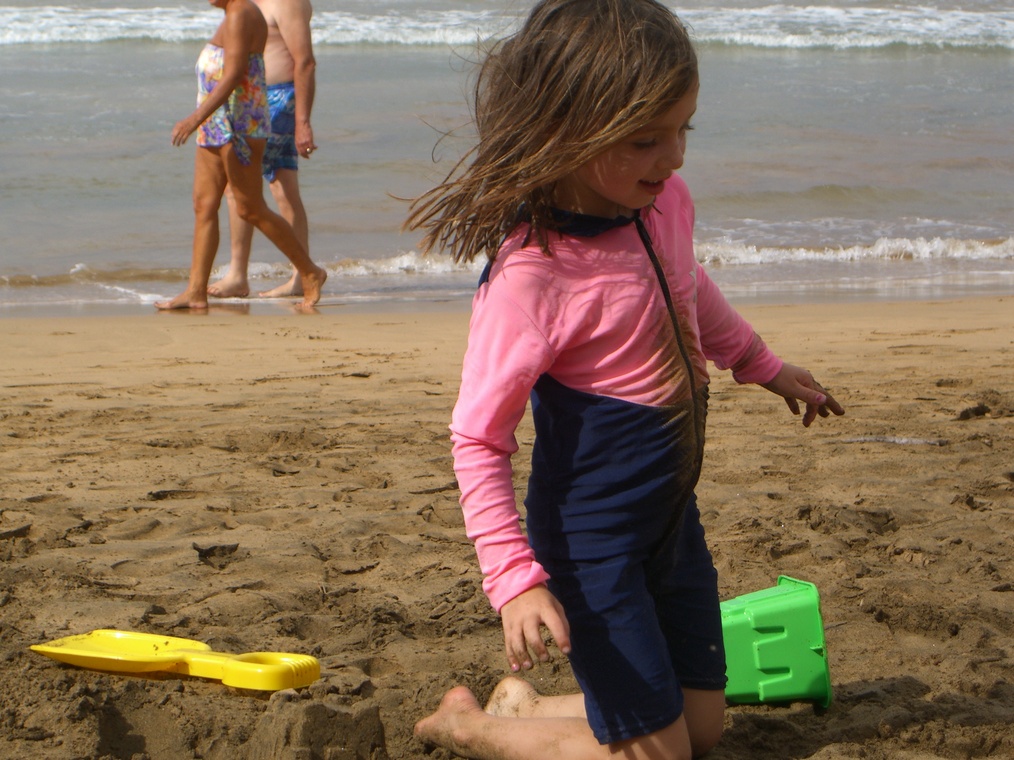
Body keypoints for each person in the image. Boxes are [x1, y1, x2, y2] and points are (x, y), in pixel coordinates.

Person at [403, 1, 845, 758]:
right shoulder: (532, 275)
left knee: (701, 732)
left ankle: (523, 707)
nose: (674, 157)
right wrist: (514, 580)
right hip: (592, 543)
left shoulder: (661, 204)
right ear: (566, 131)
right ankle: (466, 726)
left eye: (683, 129)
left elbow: (688, 290)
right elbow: (477, 438)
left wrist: (762, 365)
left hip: (670, 519)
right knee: (664, 756)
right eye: (646, 139)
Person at [156, 0, 326, 311]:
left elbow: (234, 74)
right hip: (216, 122)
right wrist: (204, 120)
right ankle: (196, 291)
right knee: (204, 204)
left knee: (250, 207)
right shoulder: (233, 14)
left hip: (239, 125)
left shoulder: (241, 14)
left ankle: (309, 271)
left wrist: (193, 120)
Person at [208, 0, 318, 300]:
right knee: (260, 188)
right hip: (253, 98)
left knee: (258, 186)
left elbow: (305, 61)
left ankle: (274, 275)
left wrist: (302, 122)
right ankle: (274, 275)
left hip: (278, 99)